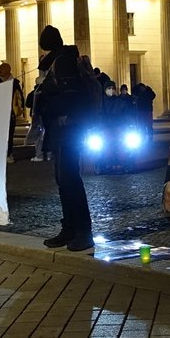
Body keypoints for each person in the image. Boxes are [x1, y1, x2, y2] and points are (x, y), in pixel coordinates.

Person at [36, 24, 100, 252]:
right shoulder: (57, 60)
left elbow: (70, 95)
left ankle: (83, 231)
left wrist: (45, 96)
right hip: (61, 128)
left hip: (69, 128)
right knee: (63, 179)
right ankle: (70, 227)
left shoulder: (62, 61)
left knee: (70, 178)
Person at [0, 62, 25, 164]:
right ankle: (2, 153)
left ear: (8, 70)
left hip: (10, 112)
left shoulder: (14, 83)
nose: (0, 71)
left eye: (2, 69)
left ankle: (8, 153)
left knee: (9, 134)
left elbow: (19, 97)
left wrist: (18, 110)